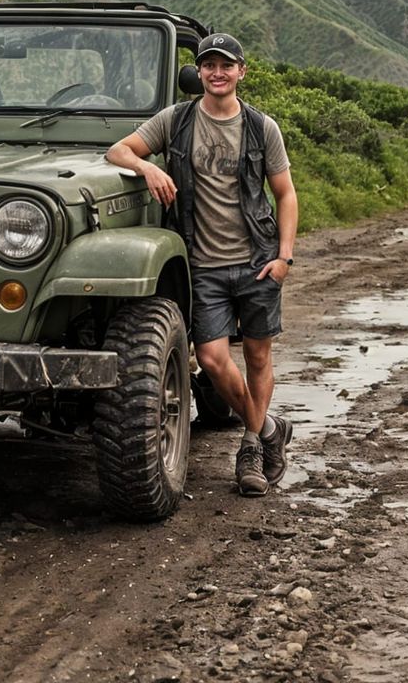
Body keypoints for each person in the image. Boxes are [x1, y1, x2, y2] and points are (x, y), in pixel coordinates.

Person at [106, 32, 299, 496]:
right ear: (199, 73)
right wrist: (149, 167)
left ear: (241, 72)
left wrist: (284, 258)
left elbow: (285, 194)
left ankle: (251, 447)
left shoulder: (261, 127)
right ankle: (271, 428)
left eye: (225, 65)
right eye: (208, 65)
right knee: (212, 359)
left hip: (257, 260)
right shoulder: (176, 119)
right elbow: (117, 150)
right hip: (203, 265)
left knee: (256, 356)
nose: (216, 72)